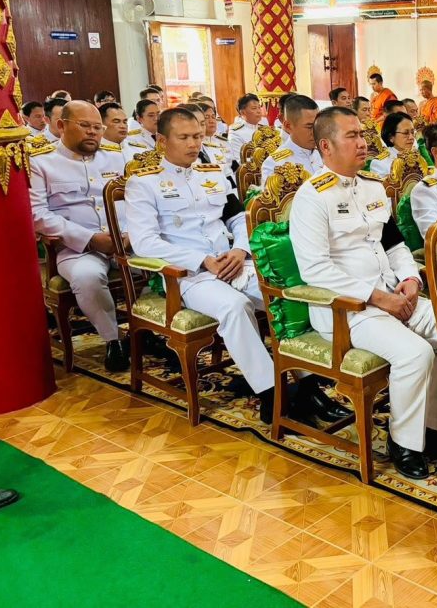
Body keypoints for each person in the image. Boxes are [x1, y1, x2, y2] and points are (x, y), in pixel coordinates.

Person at [125, 108, 341, 425]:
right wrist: (201, 261)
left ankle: (308, 386)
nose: (193, 144)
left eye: (197, 136)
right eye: (183, 137)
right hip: (189, 275)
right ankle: (272, 394)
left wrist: (240, 250)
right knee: (235, 307)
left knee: (284, 294)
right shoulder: (144, 184)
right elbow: (144, 242)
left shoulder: (211, 174)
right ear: (162, 141)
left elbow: (239, 218)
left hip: (231, 262)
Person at [289, 107, 437, 479]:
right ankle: (404, 442)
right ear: (326, 146)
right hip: (346, 309)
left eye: (362, 134)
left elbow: (393, 243)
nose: (363, 143)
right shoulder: (311, 197)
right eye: (352, 136)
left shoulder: (373, 187)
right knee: (416, 354)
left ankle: (433, 426)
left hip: (393, 293)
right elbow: (315, 269)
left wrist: (410, 280)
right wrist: (378, 298)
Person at [29, 101, 128, 371]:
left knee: (169, 263)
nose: (93, 132)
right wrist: (90, 239)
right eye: (85, 126)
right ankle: (114, 339)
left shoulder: (116, 157)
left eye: (98, 127)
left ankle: (149, 330)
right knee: (87, 277)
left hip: (125, 241)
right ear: (61, 125)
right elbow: (37, 214)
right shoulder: (42, 162)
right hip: (77, 248)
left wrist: (130, 235)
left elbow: (137, 201)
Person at [260, 94, 324, 185]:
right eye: (309, 127)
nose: (315, 131)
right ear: (288, 126)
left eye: (317, 125)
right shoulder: (275, 164)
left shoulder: (326, 153)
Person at [370, 111, 416, 178]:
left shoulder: (416, 157)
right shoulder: (380, 163)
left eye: (412, 132)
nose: (411, 137)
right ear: (391, 137)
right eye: (405, 133)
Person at [228, 93, 265, 164]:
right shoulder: (236, 132)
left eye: (259, 107)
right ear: (242, 112)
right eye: (254, 108)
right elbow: (239, 160)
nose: (258, 111)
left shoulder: (264, 129)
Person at [122, 99, 160, 163]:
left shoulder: (166, 135)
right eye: (151, 115)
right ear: (139, 119)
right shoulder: (131, 139)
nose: (156, 118)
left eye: (158, 114)